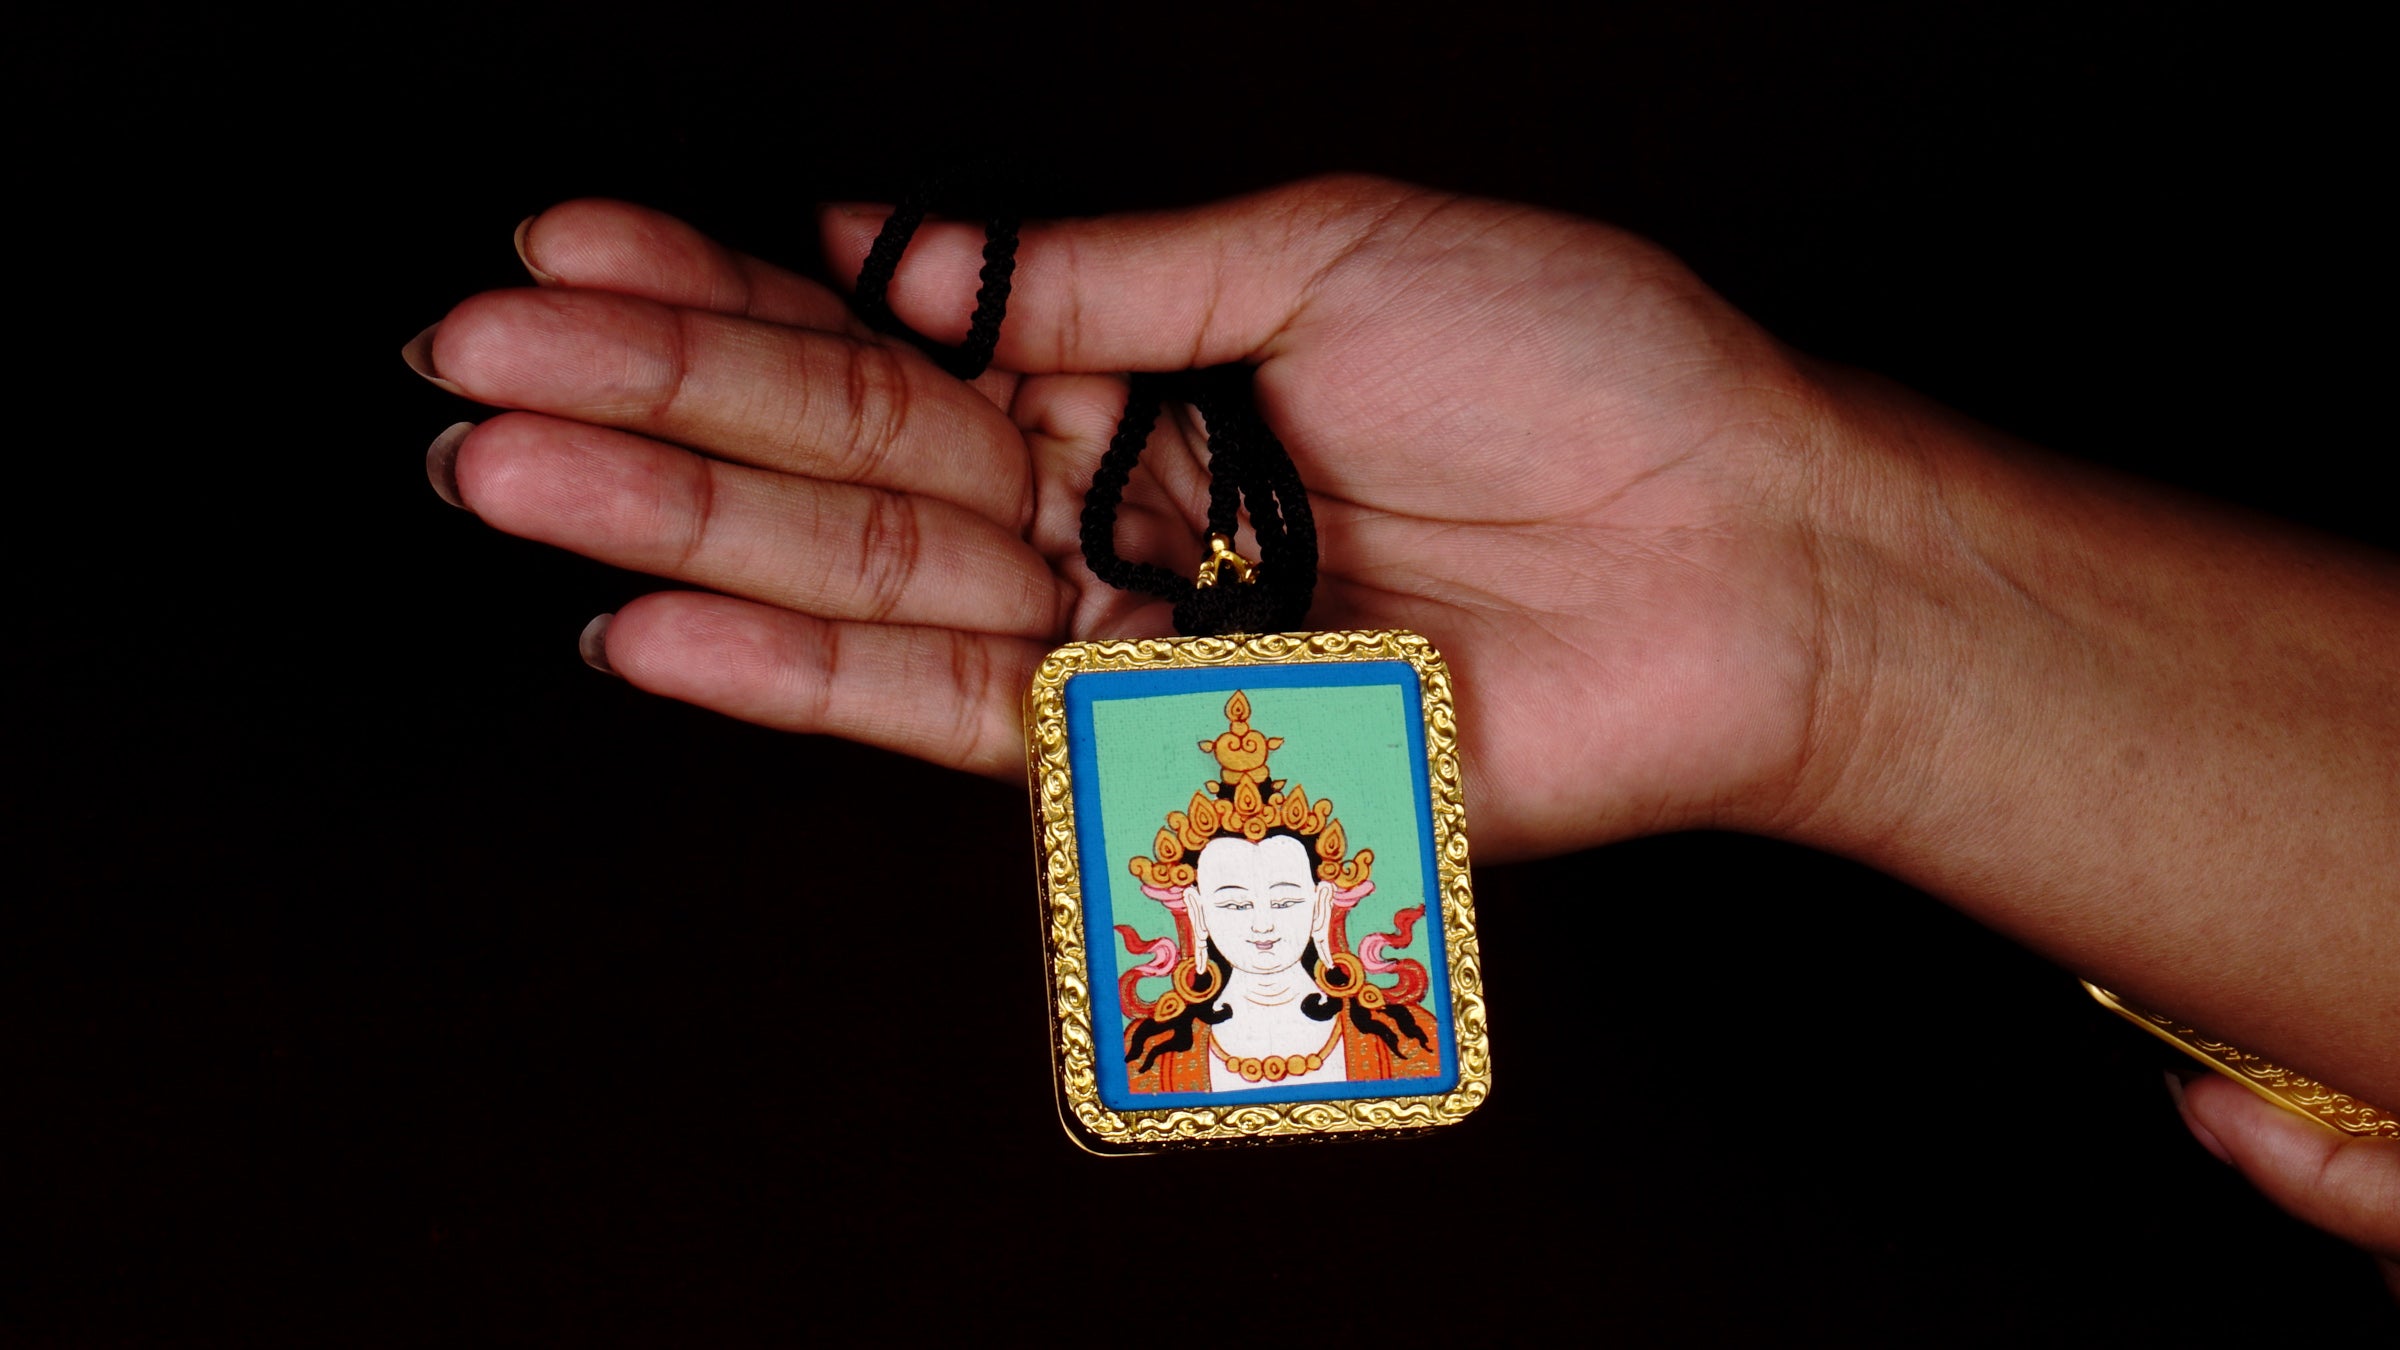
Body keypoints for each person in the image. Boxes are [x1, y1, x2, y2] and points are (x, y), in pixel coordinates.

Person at [402, 177, 2399, 1294]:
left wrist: (1827, 612)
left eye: (1285, 886)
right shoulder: (1190, 1013)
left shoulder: (1328, 971)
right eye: (1239, 890)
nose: (1264, 923)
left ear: (1323, 891)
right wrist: (1828, 610)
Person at [1117, 690, 1439, 1094]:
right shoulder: (1150, 1060)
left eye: (1286, 900)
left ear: (1321, 905)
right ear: (1197, 913)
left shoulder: (1406, 1040)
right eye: (1235, 903)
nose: (1263, 924)